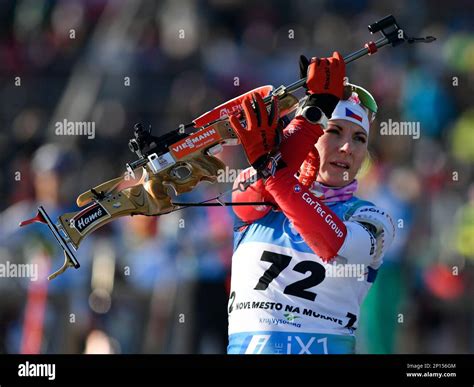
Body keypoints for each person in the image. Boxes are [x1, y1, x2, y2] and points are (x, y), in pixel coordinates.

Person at [226, 52, 396, 354]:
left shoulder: (372, 217)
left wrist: (276, 170)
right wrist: (306, 120)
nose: (347, 148)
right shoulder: (260, 187)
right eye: (334, 131)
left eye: (359, 139)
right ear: (312, 134)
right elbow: (254, 191)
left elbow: (333, 244)